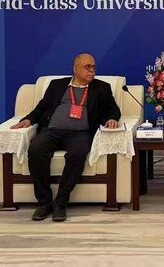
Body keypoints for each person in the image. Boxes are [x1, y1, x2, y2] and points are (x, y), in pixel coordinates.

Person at [11, 53, 121, 222]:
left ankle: (60, 203)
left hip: (80, 133)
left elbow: (113, 110)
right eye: (87, 67)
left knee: (78, 153)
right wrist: (29, 119)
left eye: (93, 67)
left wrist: (112, 118)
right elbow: (41, 108)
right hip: (51, 131)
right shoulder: (57, 85)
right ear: (75, 69)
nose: (92, 70)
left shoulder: (101, 88)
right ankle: (44, 203)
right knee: (36, 150)